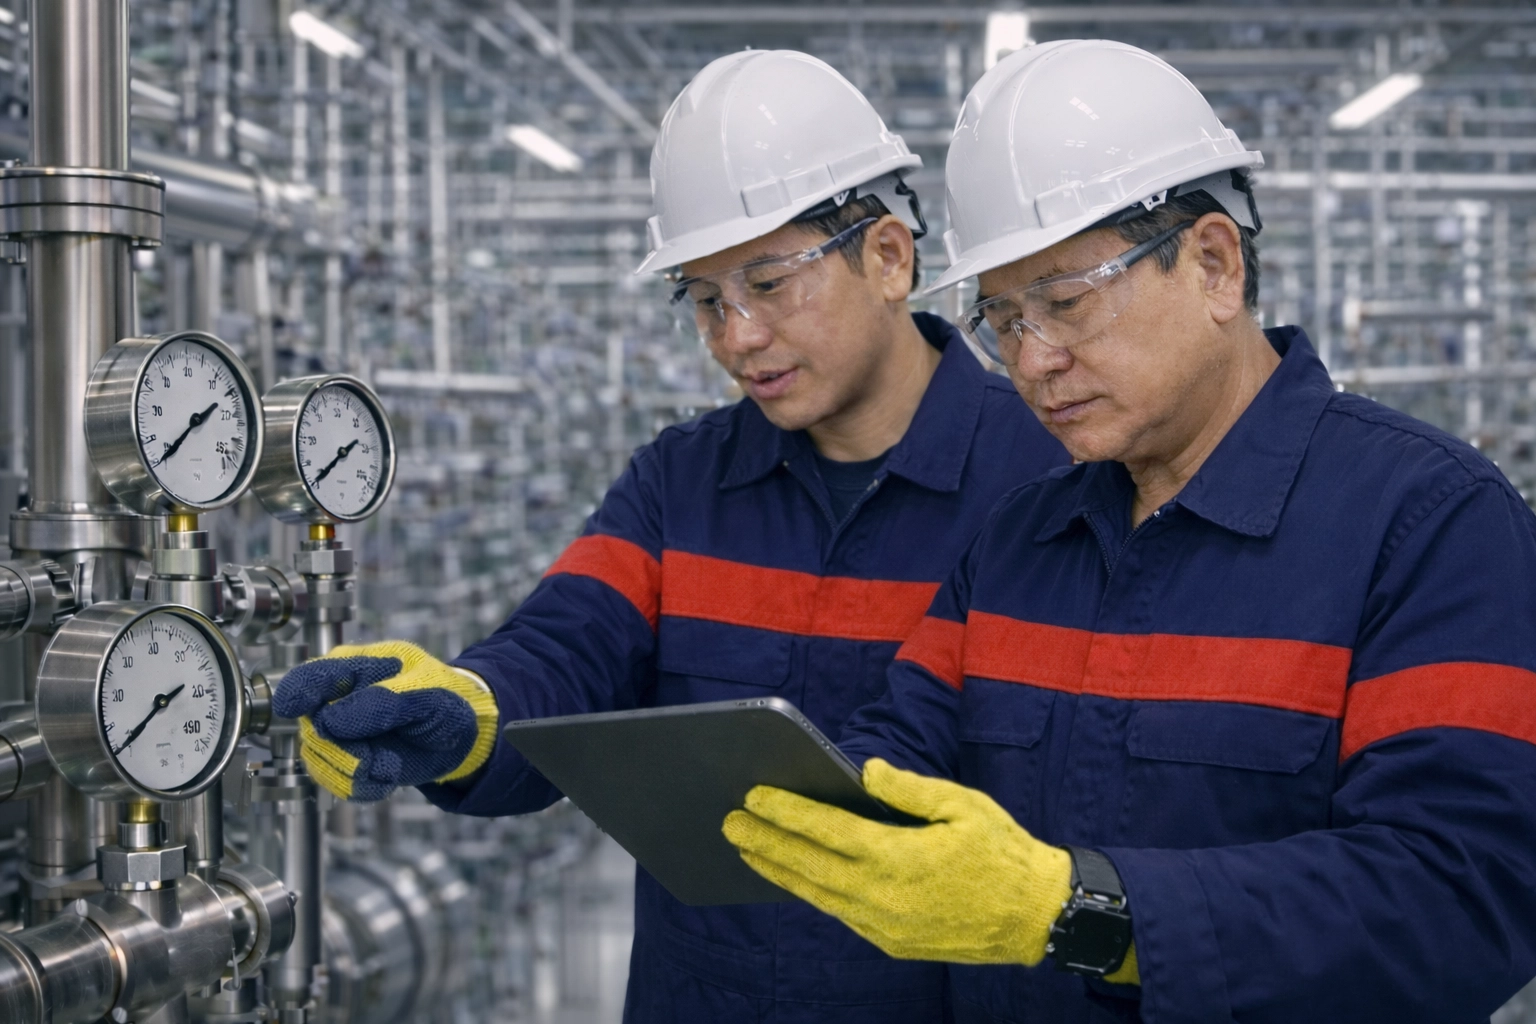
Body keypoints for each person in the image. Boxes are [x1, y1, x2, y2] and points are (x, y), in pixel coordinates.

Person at [722, 39, 1536, 1024]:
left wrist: (1078, 912)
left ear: (1213, 265)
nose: (1033, 360)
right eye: (1004, 320)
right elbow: (901, 748)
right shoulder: (1020, 539)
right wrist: (777, 797)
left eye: (1065, 305)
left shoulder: (1429, 526)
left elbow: (1461, 899)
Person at [273, 50, 1067, 1023]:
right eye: (705, 298)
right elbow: (566, 648)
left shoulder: (1049, 477)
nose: (736, 337)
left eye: (770, 284)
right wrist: (469, 711)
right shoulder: (682, 480)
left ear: (891, 258)